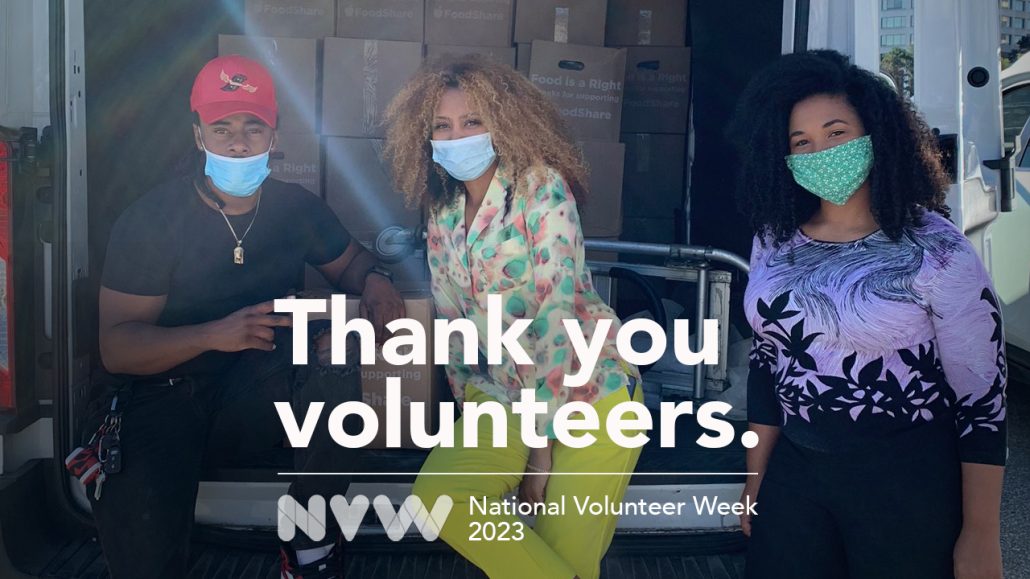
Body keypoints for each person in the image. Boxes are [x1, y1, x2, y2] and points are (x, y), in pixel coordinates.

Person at [83, 54, 405, 579]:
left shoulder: (294, 209)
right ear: (198, 136)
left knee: (333, 347)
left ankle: (308, 545)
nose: (238, 143)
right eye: (222, 128)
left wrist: (374, 279)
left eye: (253, 128)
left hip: (250, 392)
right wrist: (215, 334)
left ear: (274, 136)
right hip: (157, 398)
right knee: (147, 561)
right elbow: (117, 346)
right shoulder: (151, 221)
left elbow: (351, 263)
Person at [728, 50, 1007, 578]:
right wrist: (756, 479)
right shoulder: (773, 240)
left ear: (877, 134)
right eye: (801, 143)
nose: (821, 152)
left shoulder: (937, 250)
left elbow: (982, 397)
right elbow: (770, 363)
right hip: (797, 476)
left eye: (836, 133)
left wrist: (980, 533)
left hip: (907, 483)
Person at [383, 55, 642, 579]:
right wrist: (471, 414)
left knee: (559, 559)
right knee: (440, 498)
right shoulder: (444, 212)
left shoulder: (541, 188)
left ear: (504, 122)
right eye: (442, 126)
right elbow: (453, 323)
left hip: (592, 394)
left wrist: (538, 454)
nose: (457, 136)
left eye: (472, 121)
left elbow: (552, 318)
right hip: (501, 394)